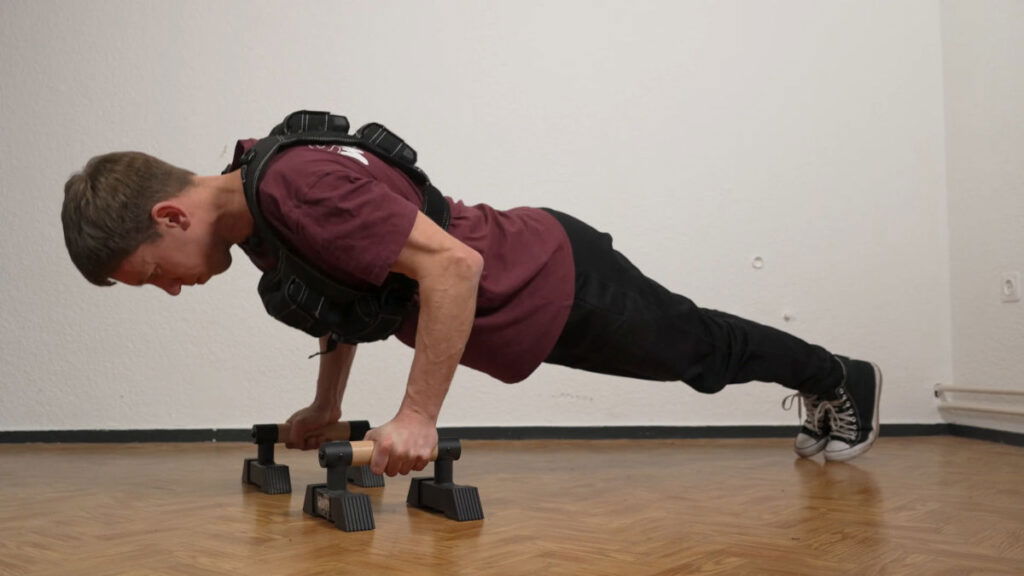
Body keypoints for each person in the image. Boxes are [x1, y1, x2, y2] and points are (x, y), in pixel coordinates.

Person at [60, 120, 882, 477]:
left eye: (151, 272)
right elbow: (349, 300)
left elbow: (451, 268)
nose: (169, 289)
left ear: (170, 216)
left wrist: (418, 415)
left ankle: (841, 376)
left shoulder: (294, 185)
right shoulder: (262, 215)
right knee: (695, 352)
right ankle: (827, 379)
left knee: (699, 352)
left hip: (549, 278)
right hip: (523, 297)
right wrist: (324, 405)